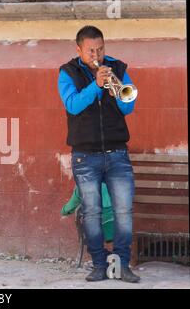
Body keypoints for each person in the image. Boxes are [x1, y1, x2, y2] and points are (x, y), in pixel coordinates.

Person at [57, 25, 140, 283]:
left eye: (101, 48)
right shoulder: (67, 73)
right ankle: (98, 265)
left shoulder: (118, 68)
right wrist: (96, 85)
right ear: (79, 49)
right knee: (92, 212)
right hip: (85, 155)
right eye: (91, 50)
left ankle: (122, 264)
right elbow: (73, 105)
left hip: (117, 153)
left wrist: (117, 90)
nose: (97, 54)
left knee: (123, 210)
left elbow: (129, 107)